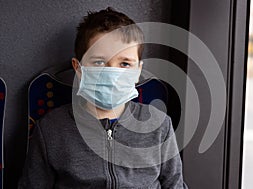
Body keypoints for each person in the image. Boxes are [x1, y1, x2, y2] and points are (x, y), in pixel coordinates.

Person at [18, 7, 188, 189]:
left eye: (124, 64)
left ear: (138, 70)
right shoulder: (51, 129)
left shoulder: (159, 125)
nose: (112, 73)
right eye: (99, 62)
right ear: (78, 68)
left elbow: (174, 185)